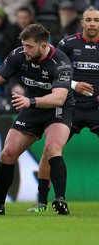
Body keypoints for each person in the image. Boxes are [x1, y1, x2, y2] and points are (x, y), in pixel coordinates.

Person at [0, 23, 74, 216]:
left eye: (29, 46)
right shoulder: (19, 54)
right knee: (7, 154)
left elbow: (59, 98)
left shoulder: (61, 62)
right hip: (32, 106)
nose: (25, 50)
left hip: (57, 108)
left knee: (53, 149)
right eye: (24, 45)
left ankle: (60, 200)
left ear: (43, 46)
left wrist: (30, 101)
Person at [27, 7, 99, 213]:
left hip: (96, 107)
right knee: (49, 150)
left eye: (96, 20)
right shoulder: (67, 44)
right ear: (82, 23)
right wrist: (75, 85)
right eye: (89, 20)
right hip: (71, 106)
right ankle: (42, 202)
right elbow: (53, 73)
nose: (93, 24)